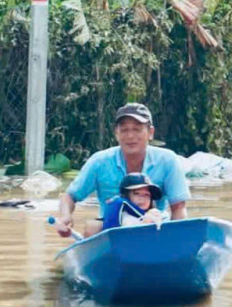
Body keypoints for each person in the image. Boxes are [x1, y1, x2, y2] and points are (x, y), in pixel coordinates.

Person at [57, 102, 190, 237]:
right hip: (113, 231)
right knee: (92, 228)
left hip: (153, 227)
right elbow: (69, 196)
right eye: (124, 130)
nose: (130, 136)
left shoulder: (168, 160)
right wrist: (65, 217)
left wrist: (177, 238)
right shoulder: (99, 161)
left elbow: (178, 208)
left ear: (150, 133)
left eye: (137, 129)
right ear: (116, 134)